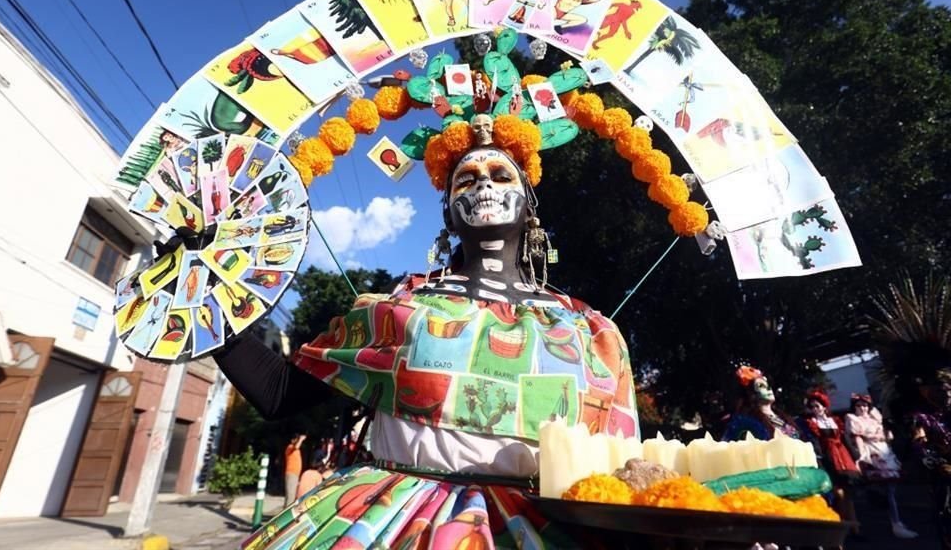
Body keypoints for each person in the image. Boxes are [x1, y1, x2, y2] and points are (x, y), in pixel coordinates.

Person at [215, 141, 639, 548]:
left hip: (550, 527)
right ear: (448, 214)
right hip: (395, 524)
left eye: (499, 175)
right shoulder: (399, 308)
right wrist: (204, 301)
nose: (484, 186)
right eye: (466, 180)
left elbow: (624, 465)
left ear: (529, 204)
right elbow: (280, 393)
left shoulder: (590, 329)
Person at [845, 393, 918, 539]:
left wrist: (887, 435)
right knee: (884, 491)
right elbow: (857, 438)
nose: (862, 408)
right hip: (872, 454)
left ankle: (894, 523)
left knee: (890, 491)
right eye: (858, 406)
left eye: (864, 405)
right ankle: (894, 523)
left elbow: (887, 436)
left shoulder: (875, 418)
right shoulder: (853, 419)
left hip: (885, 452)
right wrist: (861, 457)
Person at [802, 390, 860, 530]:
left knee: (848, 495)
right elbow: (816, 443)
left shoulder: (834, 421)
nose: (815, 409)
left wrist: (855, 456)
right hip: (829, 458)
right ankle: (841, 526)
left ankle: (854, 527)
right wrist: (819, 460)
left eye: (817, 406)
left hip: (843, 457)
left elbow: (844, 439)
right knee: (838, 494)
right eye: (812, 407)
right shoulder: (812, 423)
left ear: (824, 406)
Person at [911, 366, 951, 547]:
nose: (947, 393)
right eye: (942, 390)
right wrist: (937, 462)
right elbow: (919, 444)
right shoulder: (923, 418)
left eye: (949, 388)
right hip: (945, 474)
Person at [722, 366, 805, 441]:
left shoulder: (782, 417)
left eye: (768, 385)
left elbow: (798, 439)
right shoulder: (746, 421)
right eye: (761, 386)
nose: (769, 389)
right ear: (752, 394)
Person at [282, 433, 305, 505]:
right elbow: (296, 447)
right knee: (290, 496)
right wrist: (301, 439)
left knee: (292, 495)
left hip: (295, 474)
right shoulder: (290, 447)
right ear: (292, 440)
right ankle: (286, 513)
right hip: (291, 473)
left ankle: (285, 512)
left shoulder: (295, 449)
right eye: (296, 440)